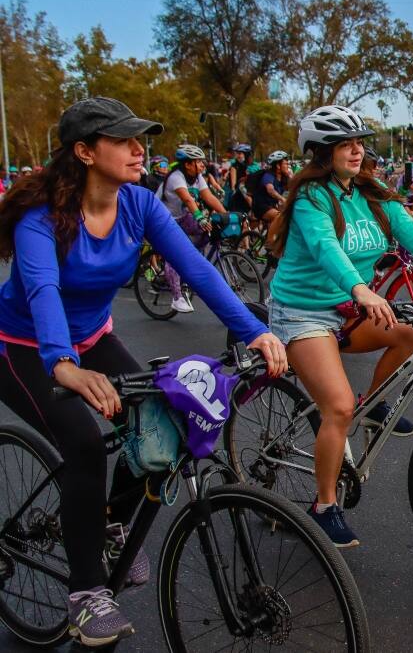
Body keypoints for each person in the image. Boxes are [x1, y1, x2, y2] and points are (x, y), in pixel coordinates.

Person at [0, 97, 286, 648]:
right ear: (84, 152)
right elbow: (43, 290)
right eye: (124, 141)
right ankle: (86, 594)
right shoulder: (42, 219)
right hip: (22, 344)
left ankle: (104, 522)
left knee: (158, 416)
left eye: (142, 140)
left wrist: (256, 331)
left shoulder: (138, 203)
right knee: (82, 444)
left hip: (93, 336)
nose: (139, 151)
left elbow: (197, 270)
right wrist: (63, 366)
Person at [266, 105, 413, 548]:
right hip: (304, 314)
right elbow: (327, 248)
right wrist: (361, 289)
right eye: (345, 144)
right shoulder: (312, 198)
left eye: (359, 142)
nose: (357, 150)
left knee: (412, 331)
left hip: (349, 309)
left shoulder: (374, 192)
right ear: (321, 153)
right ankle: (324, 507)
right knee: (338, 407)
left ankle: (374, 407)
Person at [156, 144, 229, 314]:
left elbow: (208, 196)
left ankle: (190, 262)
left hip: (181, 216)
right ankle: (177, 298)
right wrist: (200, 217)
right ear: (188, 164)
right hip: (162, 218)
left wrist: (226, 215)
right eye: (198, 161)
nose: (203, 164)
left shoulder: (197, 176)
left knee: (206, 231)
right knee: (176, 253)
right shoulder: (176, 177)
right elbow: (188, 200)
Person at [251, 150, 291, 223]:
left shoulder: (284, 178)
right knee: (280, 218)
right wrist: (282, 199)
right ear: (278, 166)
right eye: (286, 164)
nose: (288, 166)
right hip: (262, 207)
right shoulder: (268, 176)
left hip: (273, 205)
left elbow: (292, 189)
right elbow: (270, 190)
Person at [225, 143, 253, 213]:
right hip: (238, 197)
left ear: (246, 155)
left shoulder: (251, 166)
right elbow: (233, 186)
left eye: (240, 153)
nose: (238, 156)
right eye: (237, 153)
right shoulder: (234, 167)